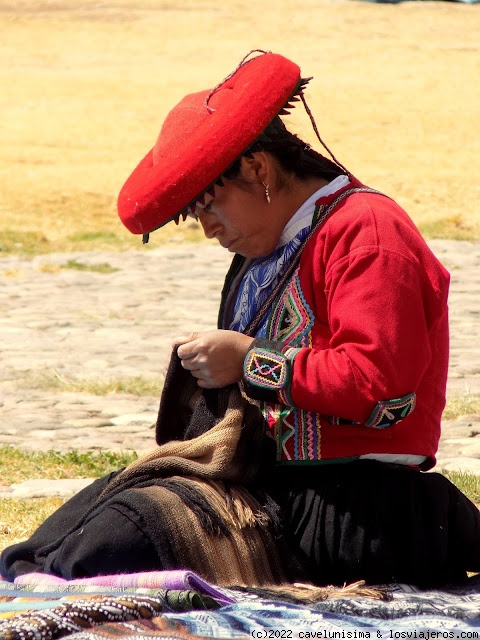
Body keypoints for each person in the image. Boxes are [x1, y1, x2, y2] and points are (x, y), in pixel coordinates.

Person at [2, 50, 479, 588]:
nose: (207, 227)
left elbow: (379, 384)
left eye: (208, 204)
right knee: (63, 536)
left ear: (257, 167)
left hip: (354, 507)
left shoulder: (367, 232)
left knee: (114, 543)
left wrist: (248, 360)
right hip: (274, 490)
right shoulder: (268, 249)